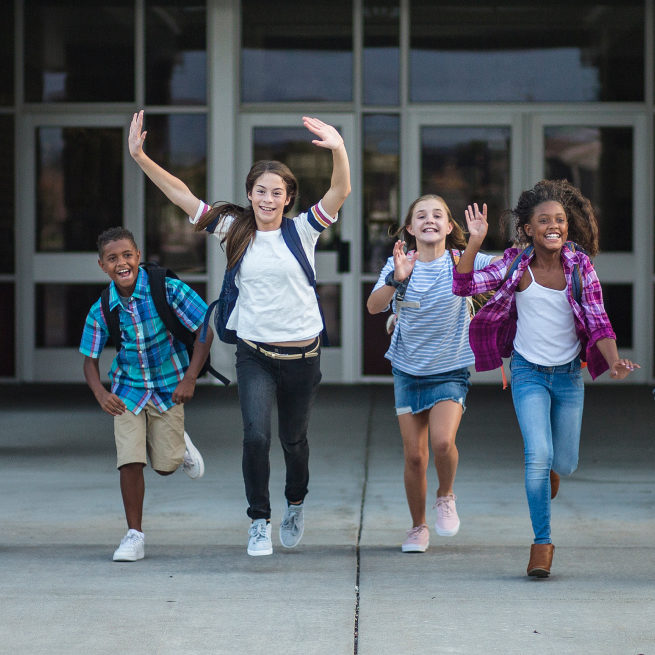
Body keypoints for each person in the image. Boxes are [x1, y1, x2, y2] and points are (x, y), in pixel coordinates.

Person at [128, 110, 351, 557]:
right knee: (255, 436)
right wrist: (139, 156)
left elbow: (340, 190)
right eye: (261, 191)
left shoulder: (303, 230)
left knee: (294, 441)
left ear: (289, 198)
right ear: (249, 194)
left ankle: (294, 502)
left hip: (303, 357)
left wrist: (339, 149)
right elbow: (182, 196)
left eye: (277, 192)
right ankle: (258, 520)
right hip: (255, 355)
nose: (268, 199)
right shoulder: (234, 229)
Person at [453, 179, 639, 577]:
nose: (553, 226)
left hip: (569, 375)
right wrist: (474, 242)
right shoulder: (515, 265)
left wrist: (615, 360)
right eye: (543, 221)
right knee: (536, 456)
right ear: (529, 229)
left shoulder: (579, 266)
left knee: (564, 462)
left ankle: (552, 471)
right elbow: (464, 285)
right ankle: (542, 543)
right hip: (527, 373)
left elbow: (598, 320)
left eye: (559, 220)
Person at [367, 194, 498, 553]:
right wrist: (397, 278)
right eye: (421, 215)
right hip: (408, 372)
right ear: (410, 228)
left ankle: (445, 495)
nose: (429, 219)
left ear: (449, 226)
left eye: (438, 214)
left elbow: (510, 271)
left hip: (450, 370)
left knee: (441, 442)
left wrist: (478, 241)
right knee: (414, 456)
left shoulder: (462, 259)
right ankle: (417, 527)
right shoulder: (400, 264)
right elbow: (374, 306)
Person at [80, 227, 212, 562]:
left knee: (165, 466)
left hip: (169, 383)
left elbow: (204, 329)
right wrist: (100, 392)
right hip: (128, 388)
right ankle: (134, 535)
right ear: (102, 266)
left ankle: (179, 445)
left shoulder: (165, 289)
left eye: (127, 255)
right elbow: (89, 361)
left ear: (138, 256)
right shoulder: (102, 308)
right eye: (112, 259)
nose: (121, 263)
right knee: (130, 461)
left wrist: (191, 378)